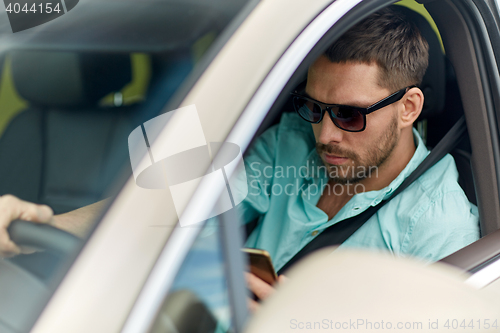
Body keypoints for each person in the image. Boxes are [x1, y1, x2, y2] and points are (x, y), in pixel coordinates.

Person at [0, 7, 479, 301]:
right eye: (314, 107)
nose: (326, 135)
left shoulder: (443, 231)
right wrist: (39, 229)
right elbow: (179, 202)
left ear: (408, 108)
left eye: (349, 116)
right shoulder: (293, 141)